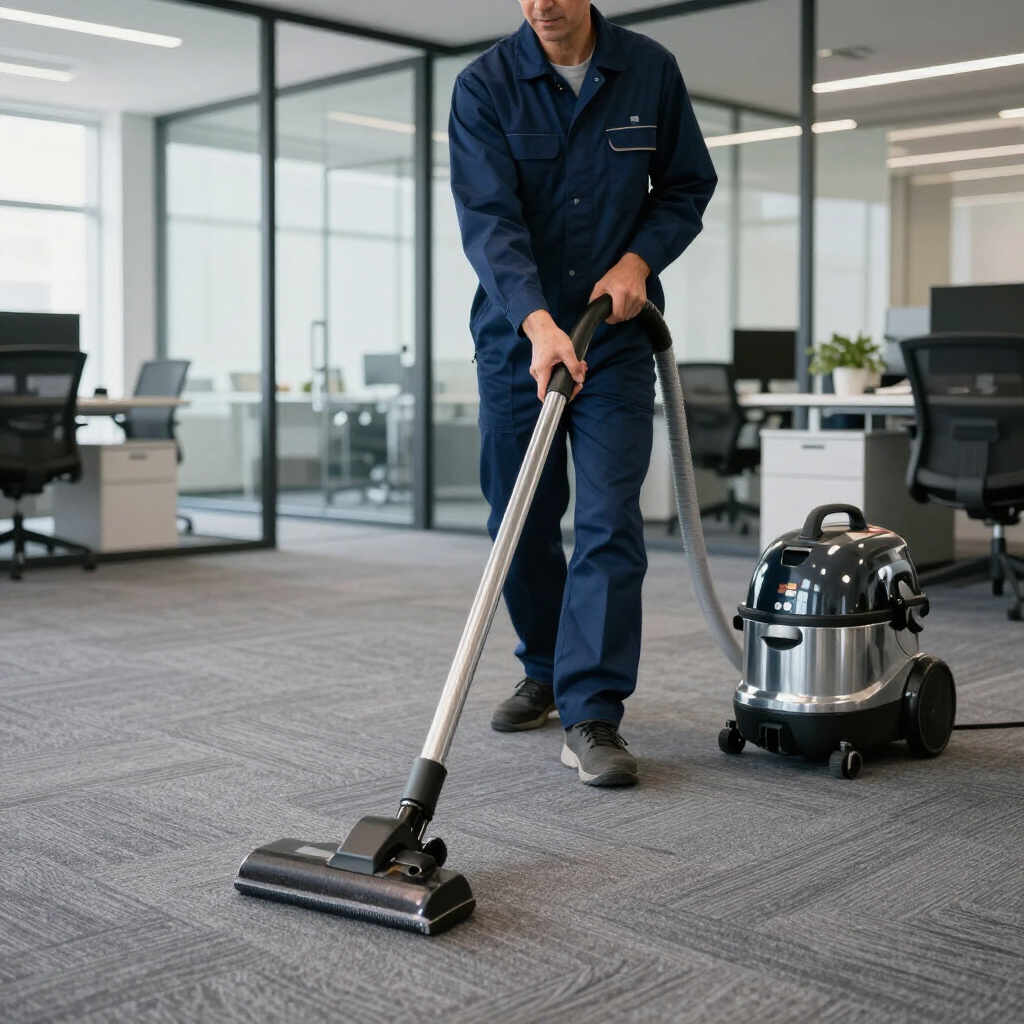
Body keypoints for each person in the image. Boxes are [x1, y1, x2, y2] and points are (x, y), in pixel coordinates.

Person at [449, 0, 717, 787]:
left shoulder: (649, 71)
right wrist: (536, 322)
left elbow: (686, 184)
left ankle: (592, 709)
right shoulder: (485, 85)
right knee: (519, 520)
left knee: (607, 519)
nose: (543, 5)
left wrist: (638, 261)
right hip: (517, 343)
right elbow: (487, 220)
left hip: (618, 341)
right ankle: (544, 665)